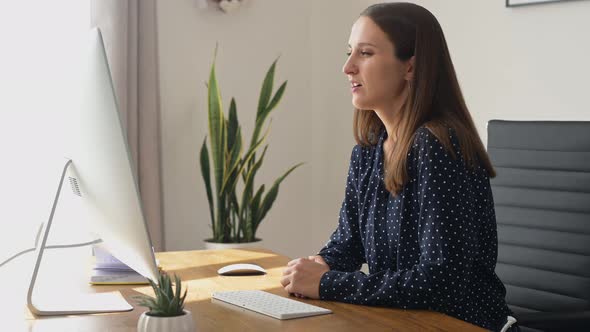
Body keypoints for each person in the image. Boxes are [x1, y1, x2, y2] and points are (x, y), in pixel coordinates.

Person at [280, 3, 519, 331]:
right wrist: (316, 267)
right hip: (399, 321)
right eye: (350, 52)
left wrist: (326, 283)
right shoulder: (367, 152)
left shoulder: (438, 145)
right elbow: (348, 244)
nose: (347, 67)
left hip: (459, 324)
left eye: (365, 53)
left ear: (410, 67)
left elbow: (440, 282)